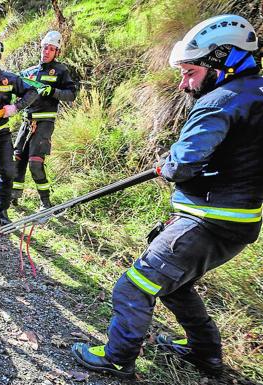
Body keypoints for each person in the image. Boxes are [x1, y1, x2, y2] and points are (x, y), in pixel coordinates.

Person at [72, 14, 262, 379]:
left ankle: (117, 357)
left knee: (134, 285)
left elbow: (182, 165)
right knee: (177, 285)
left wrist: (168, 163)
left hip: (207, 221)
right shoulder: (255, 93)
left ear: (222, 62)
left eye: (189, 72)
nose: (183, 84)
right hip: (241, 221)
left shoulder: (219, 102)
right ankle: (204, 354)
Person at [0, 38, 39, 225]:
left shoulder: (10, 79)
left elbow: (32, 92)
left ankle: (2, 211)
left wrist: (15, 107)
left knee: (8, 172)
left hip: (2, 135)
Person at [12, 30, 77, 209]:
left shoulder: (61, 71)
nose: (46, 51)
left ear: (57, 52)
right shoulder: (30, 72)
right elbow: (17, 88)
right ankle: (14, 196)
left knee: (35, 162)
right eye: (44, 48)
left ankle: (45, 202)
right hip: (27, 122)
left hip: (45, 123)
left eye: (51, 49)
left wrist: (53, 91)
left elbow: (72, 94)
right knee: (17, 158)